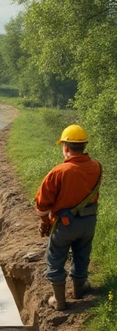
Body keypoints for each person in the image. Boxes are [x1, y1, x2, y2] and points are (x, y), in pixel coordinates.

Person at [34, 124, 102, 311]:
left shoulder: (59, 171)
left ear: (65, 147)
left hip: (65, 224)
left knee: (55, 259)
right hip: (89, 222)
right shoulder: (97, 167)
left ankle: (59, 301)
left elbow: (42, 203)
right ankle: (79, 290)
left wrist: (44, 221)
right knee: (82, 255)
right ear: (84, 146)